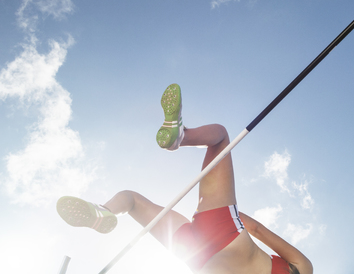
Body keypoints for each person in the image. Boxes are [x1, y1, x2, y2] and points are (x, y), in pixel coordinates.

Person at [56, 83, 313, 274]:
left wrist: (222, 204)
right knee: (133, 202)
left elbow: (255, 229)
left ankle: (179, 138)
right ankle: (101, 213)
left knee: (221, 138)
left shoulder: (304, 269)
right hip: (196, 258)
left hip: (222, 232)